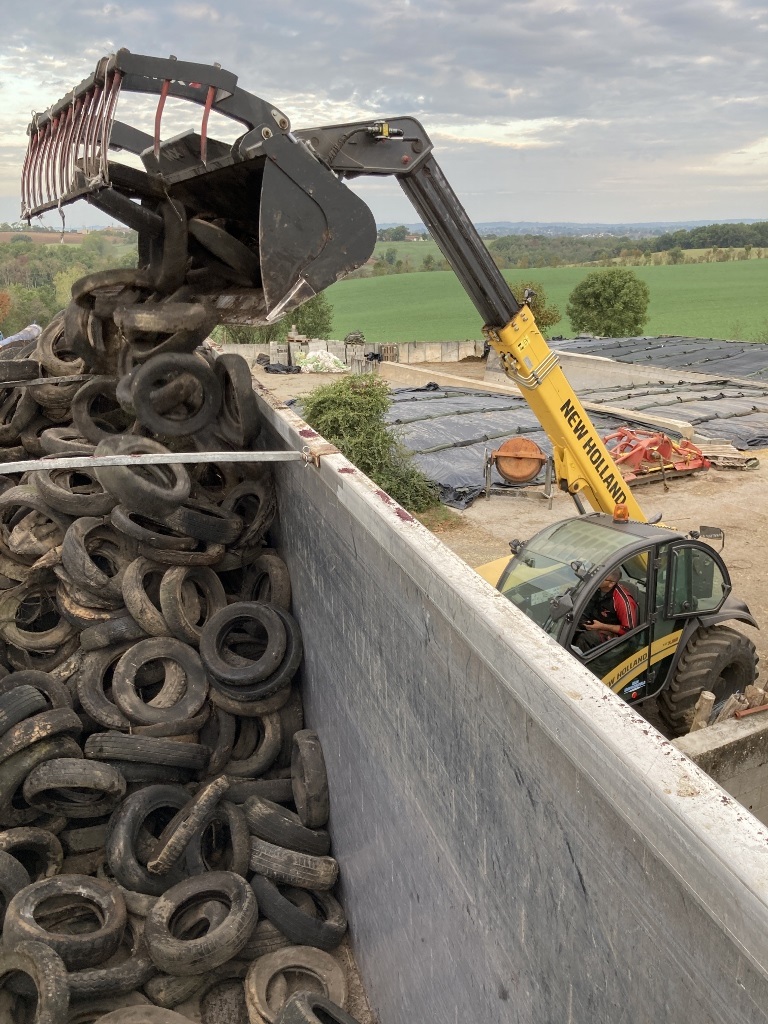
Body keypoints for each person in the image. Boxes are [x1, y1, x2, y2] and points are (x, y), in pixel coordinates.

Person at [576, 568, 639, 651]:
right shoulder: (596, 588)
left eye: (601, 578)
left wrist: (602, 626)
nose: (596, 579)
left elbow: (628, 630)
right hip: (595, 621)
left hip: (613, 634)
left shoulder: (622, 601)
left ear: (611, 584)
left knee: (585, 638)